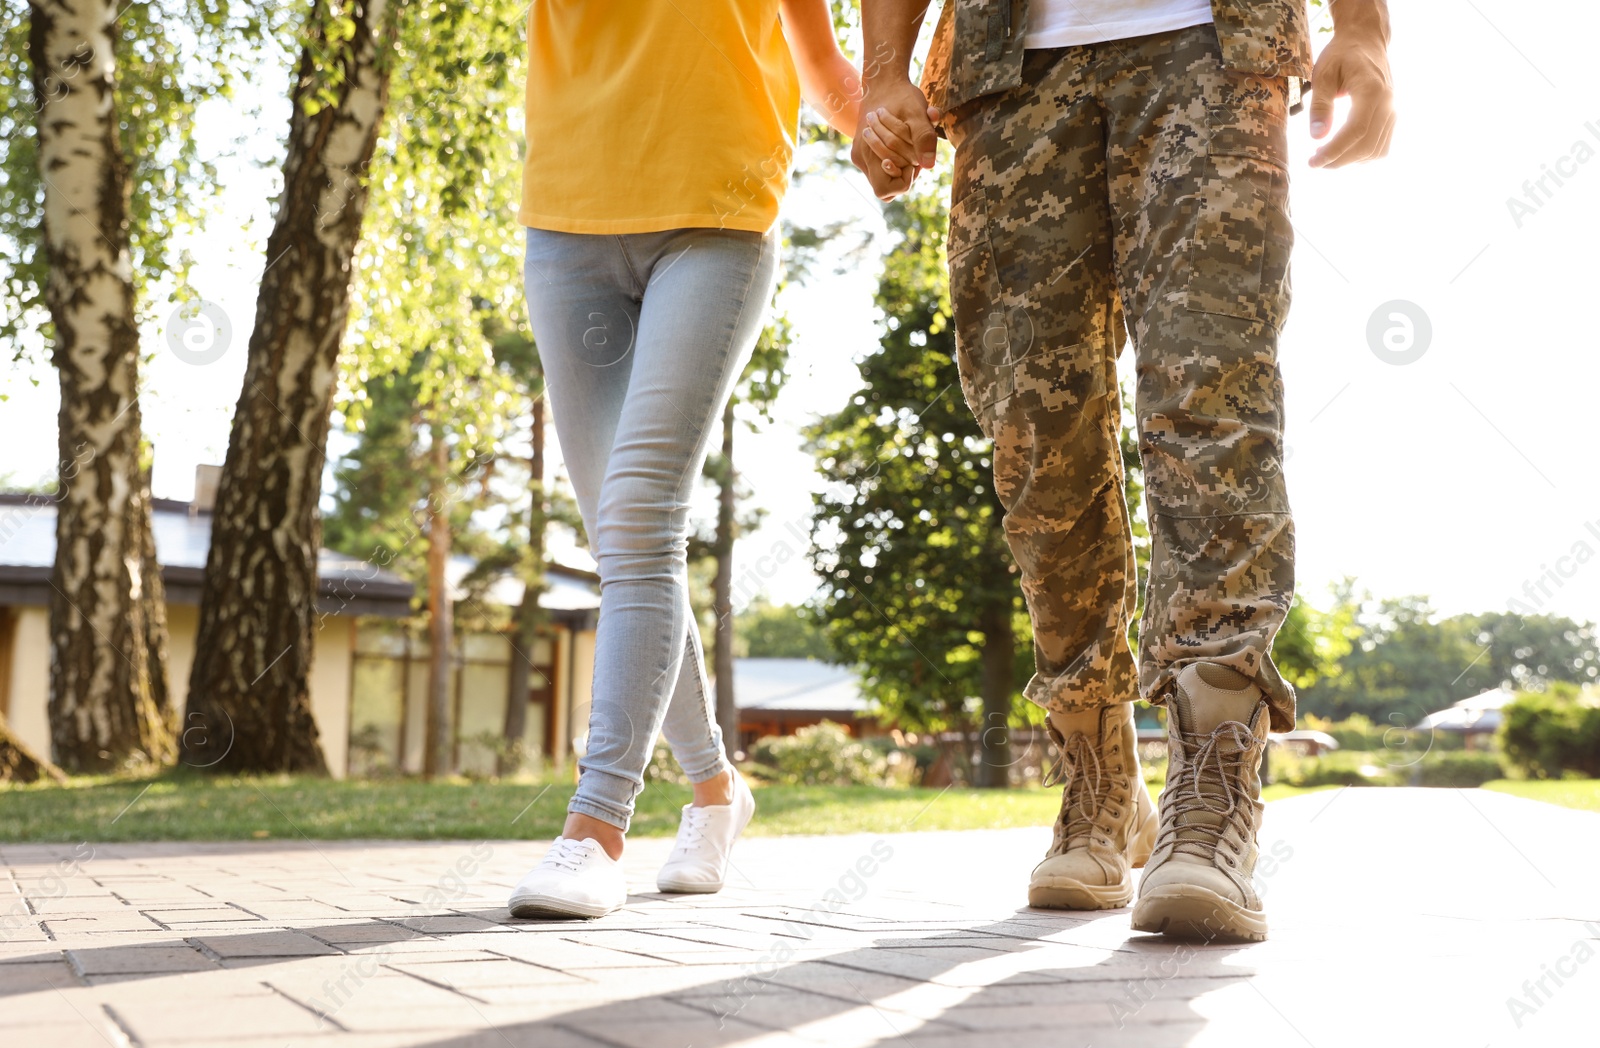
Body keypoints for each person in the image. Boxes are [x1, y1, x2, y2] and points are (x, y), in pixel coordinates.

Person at [853, 0, 1393, 940]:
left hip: (1209, 49)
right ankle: (1099, 784)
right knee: (1034, 439)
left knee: (1209, 402)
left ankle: (1213, 798)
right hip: (1007, 69)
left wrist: (1366, 28)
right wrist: (884, 72)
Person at [508, 1, 865, 919]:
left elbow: (818, 57)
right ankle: (716, 791)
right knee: (624, 547)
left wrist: (889, 120)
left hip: (716, 215)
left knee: (638, 516)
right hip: (566, 222)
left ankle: (595, 830)